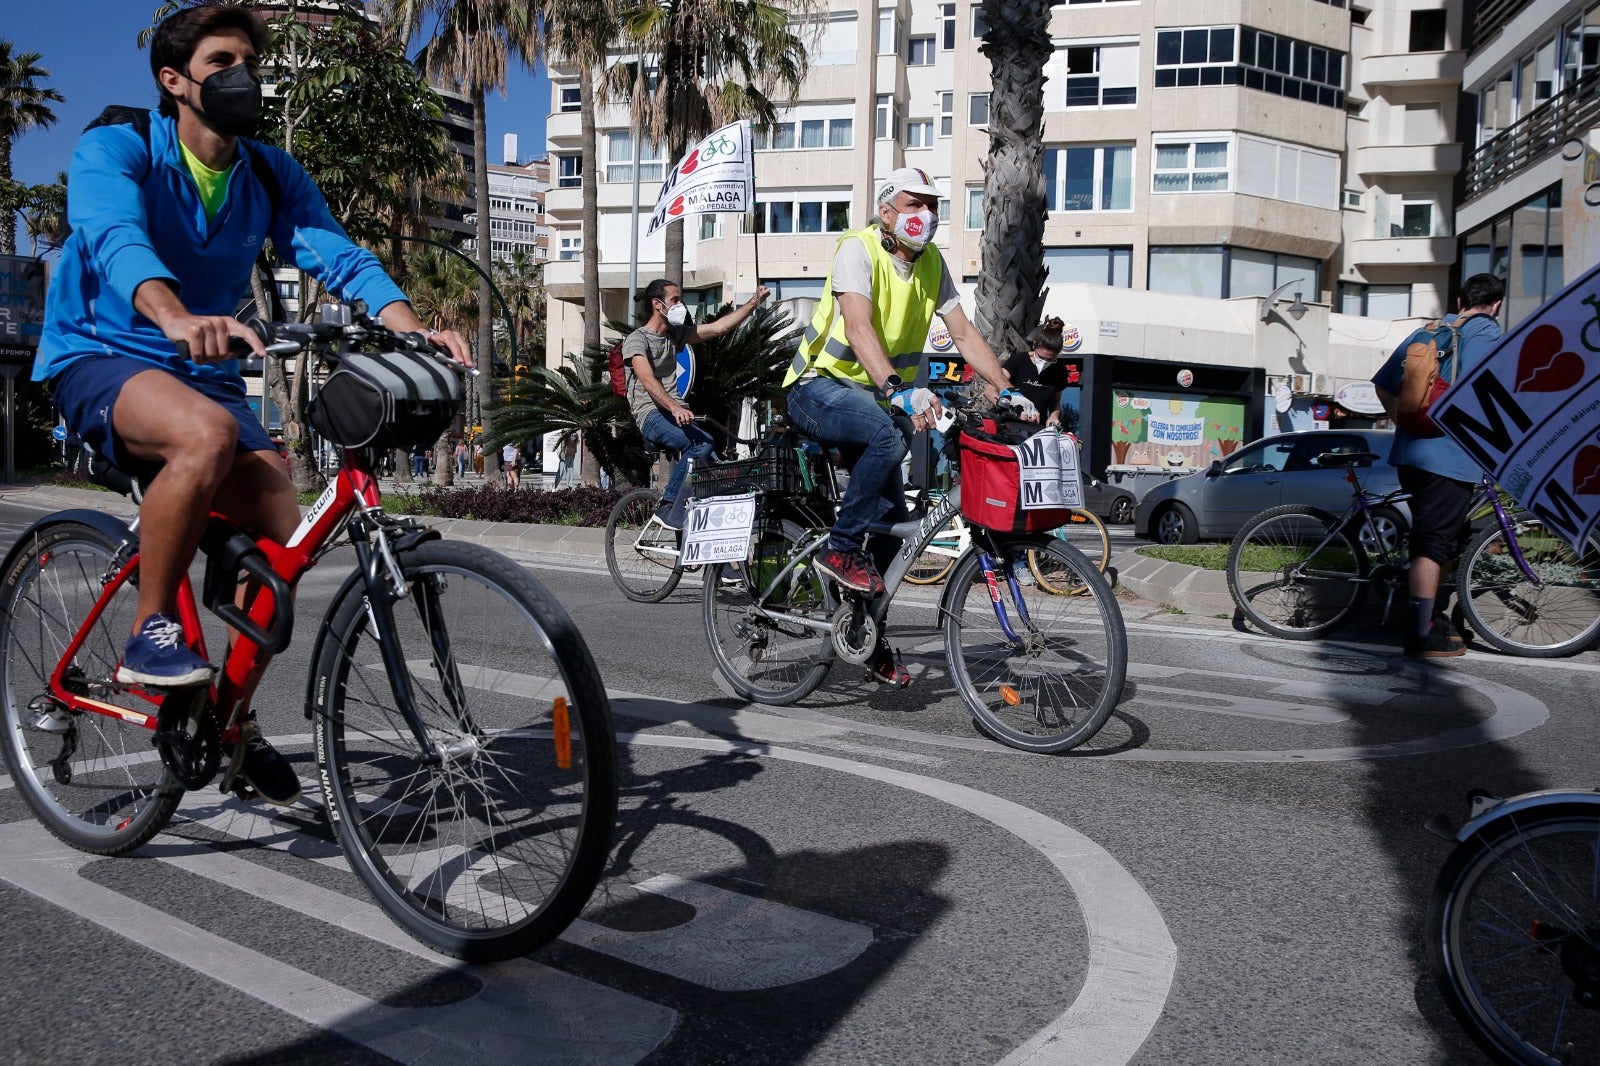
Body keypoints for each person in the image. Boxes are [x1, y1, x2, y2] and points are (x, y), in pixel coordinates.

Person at [32, 7, 471, 806]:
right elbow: (111, 234)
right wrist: (172, 315)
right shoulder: (117, 147)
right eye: (222, 59)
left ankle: (227, 727)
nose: (244, 75)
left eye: (249, 61)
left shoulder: (267, 173)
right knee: (200, 437)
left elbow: (333, 250)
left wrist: (414, 331)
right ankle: (150, 627)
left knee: (285, 543)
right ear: (175, 81)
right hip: (103, 358)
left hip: (202, 377)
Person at [783, 166, 1033, 684]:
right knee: (885, 433)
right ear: (886, 211)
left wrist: (1006, 388)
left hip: (873, 399)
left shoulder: (933, 264)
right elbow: (857, 326)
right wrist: (898, 388)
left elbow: (963, 334)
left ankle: (861, 630)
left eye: (932, 205)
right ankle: (840, 548)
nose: (926, 215)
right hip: (816, 388)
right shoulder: (859, 248)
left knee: (896, 528)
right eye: (914, 204)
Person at [1371, 272, 1505, 660]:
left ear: (1460, 301)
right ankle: (1419, 634)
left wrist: (1405, 421)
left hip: (1410, 454)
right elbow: (1487, 393)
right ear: (1496, 305)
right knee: (1431, 544)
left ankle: (1429, 617)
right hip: (1450, 457)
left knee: (1447, 537)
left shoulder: (1428, 331)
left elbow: (1382, 384)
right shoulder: (1487, 333)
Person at [623, 278, 770, 528]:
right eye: (676, 300)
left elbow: (719, 328)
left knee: (715, 472)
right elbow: (647, 379)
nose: (681, 305)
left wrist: (754, 302)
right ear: (658, 304)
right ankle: (668, 506)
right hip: (651, 415)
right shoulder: (638, 340)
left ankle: (718, 556)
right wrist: (676, 407)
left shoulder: (675, 335)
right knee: (701, 442)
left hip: (674, 413)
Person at [1002, 317, 1070, 428]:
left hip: (1036, 428)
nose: (1044, 362)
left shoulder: (1059, 370)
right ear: (1034, 345)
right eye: (1041, 357)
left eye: (1049, 359)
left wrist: (1054, 416)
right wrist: (1007, 405)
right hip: (1008, 424)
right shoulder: (1018, 360)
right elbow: (991, 388)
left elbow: (1055, 401)